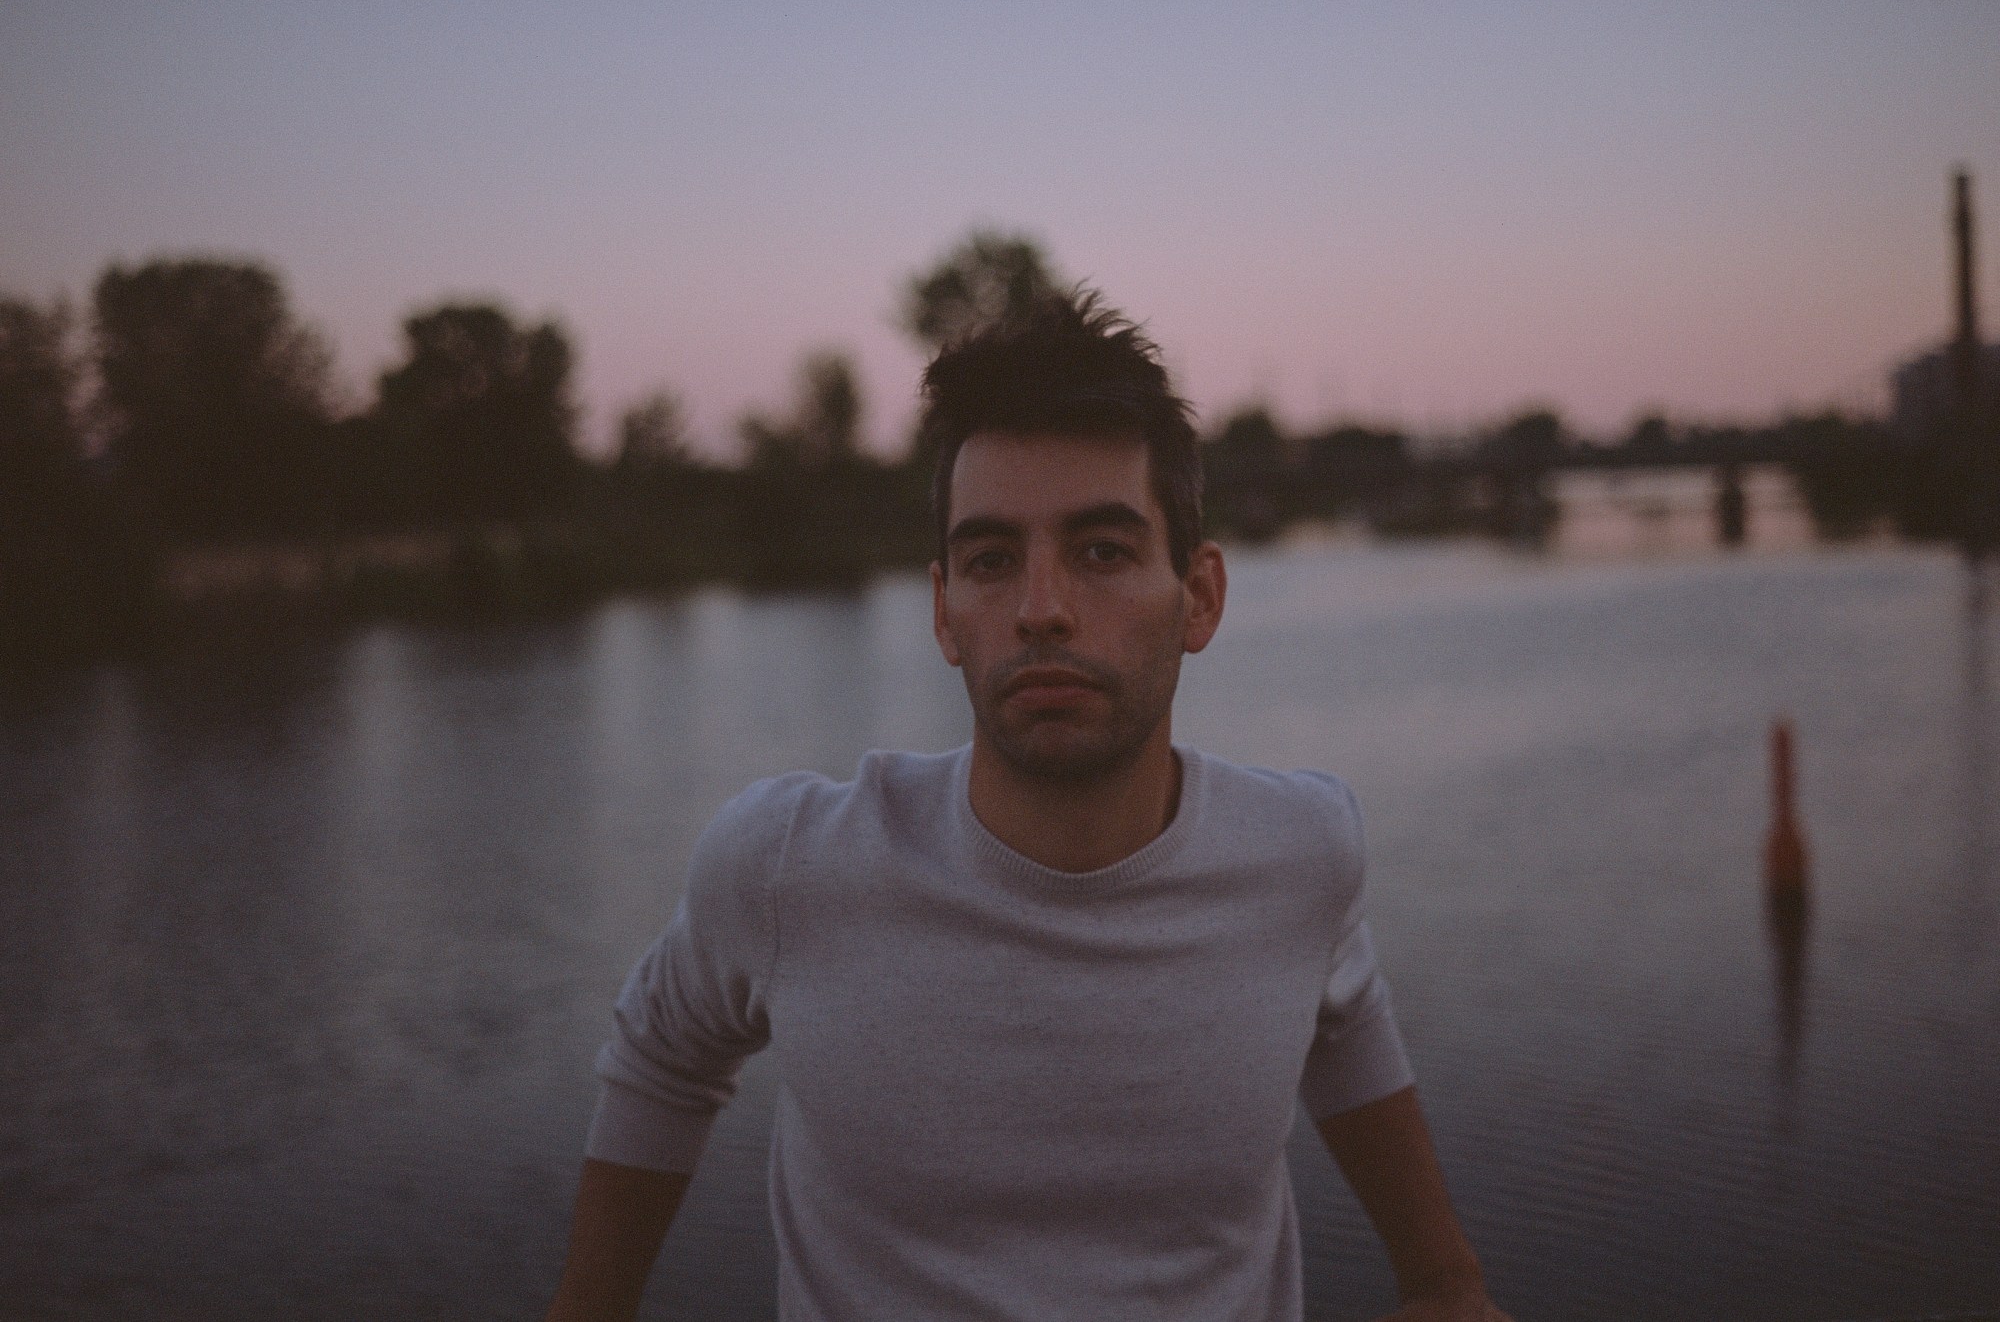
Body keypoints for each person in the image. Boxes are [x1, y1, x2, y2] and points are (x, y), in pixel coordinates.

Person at [545, 292, 1509, 1322]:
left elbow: (1343, 1011)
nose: (1041, 609)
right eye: (992, 560)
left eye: (1101, 551)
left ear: (1199, 597)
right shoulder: (787, 867)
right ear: (944, 612)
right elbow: (661, 1056)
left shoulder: (1301, 852)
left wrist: (1444, 1280)